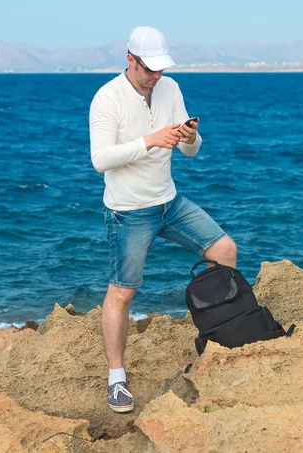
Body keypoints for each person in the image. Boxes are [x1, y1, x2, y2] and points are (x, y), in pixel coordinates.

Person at [88, 26, 237, 413]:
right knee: (122, 292)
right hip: (129, 211)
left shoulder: (170, 88)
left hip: (169, 202)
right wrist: (150, 141)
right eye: (149, 68)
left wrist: (189, 136)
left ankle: (218, 339)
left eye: (160, 68)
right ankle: (116, 379)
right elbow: (100, 159)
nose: (156, 75)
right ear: (130, 60)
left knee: (224, 250)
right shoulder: (107, 98)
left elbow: (190, 152)